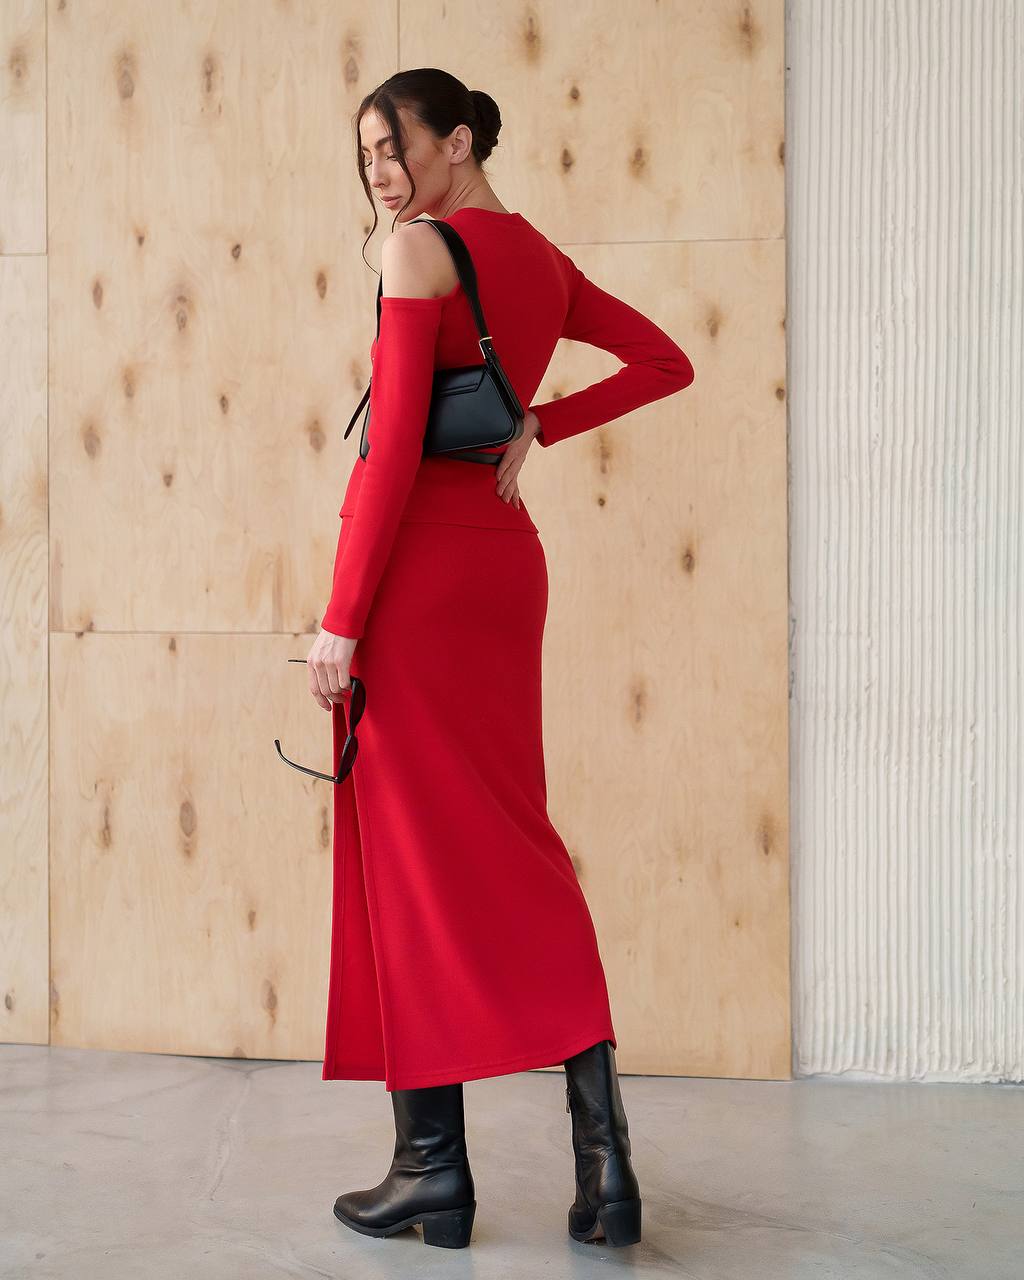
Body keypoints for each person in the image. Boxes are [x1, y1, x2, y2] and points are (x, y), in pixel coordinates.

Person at [305, 69, 695, 1250]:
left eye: (395, 144)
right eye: (365, 151)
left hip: (419, 574)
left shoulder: (415, 252)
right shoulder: (540, 261)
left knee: (415, 857)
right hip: (503, 562)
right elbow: (665, 358)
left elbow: (387, 463)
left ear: (457, 140)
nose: (379, 170)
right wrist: (540, 425)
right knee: (514, 843)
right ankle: (604, 1165)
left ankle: (433, 1169)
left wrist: (338, 619)